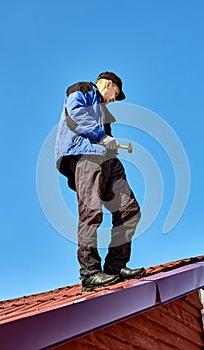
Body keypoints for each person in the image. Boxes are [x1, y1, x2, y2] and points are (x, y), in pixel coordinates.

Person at [55, 71, 145, 291]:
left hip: (107, 159)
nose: (115, 98)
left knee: (129, 210)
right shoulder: (83, 89)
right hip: (85, 154)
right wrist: (102, 136)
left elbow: (104, 136)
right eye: (116, 93)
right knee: (91, 211)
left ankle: (116, 266)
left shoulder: (103, 112)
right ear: (107, 84)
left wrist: (108, 141)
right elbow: (75, 113)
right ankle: (90, 273)